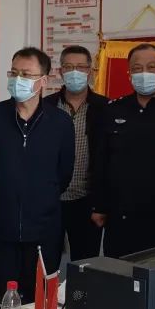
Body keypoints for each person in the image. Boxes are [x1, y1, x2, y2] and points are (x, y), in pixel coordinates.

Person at [0, 47, 74, 302]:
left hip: (43, 231)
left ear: (43, 81)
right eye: (14, 73)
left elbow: (63, 174)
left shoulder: (60, 122)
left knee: (39, 303)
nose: (18, 79)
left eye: (26, 74)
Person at [91, 43, 155, 258]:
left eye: (151, 67)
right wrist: (98, 206)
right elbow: (100, 161)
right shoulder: (113, 110)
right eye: (137, 68)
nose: (144, 73)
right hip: (119, 213)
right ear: (129, 74)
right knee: (118, 273)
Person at [42, 45, 106, 261]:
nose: (74, 72)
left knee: (85, 266)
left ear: (90, 71)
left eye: (80, 67)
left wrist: (102, 203)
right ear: (60, 72)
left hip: (87, 202)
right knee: (46, 263)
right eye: (68, 67)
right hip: (51, 200)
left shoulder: (105, 108)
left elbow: (109, 159)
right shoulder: (45, 107)